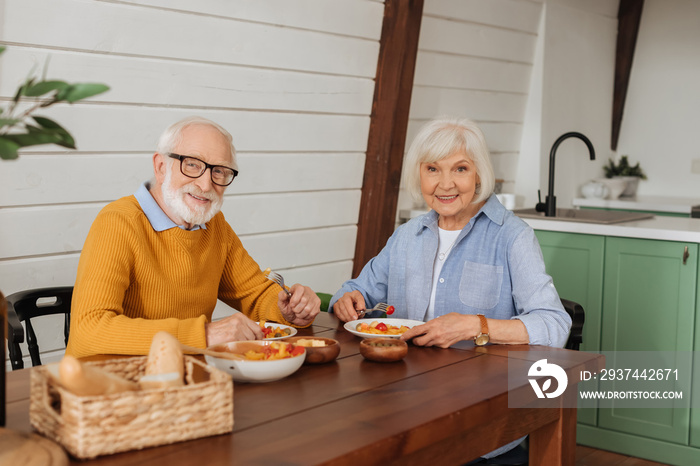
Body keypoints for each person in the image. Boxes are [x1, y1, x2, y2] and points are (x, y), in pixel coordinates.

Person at [330, 117, 571, 461]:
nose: (445, 184)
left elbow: (554, 324)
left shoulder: (512, 236)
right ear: (420, 175)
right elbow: (356, 290)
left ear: (478, 174)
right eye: (432, 169)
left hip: (483, 420)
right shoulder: (406, 236)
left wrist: (476, 326)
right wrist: (347, 300)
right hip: (405, 405)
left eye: (459, 168)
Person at [66, 117, 320, 358]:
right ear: (161, 166)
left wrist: (287, 309)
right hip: (107, 384)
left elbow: (254, 292)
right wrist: (205, 334)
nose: (206, 184)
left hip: (182, 380)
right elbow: (89, 330)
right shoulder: (118, 222)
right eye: (192, 164)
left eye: (219, 171)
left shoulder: (213, 225)